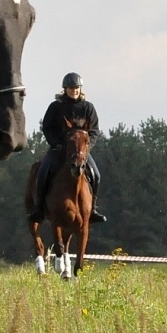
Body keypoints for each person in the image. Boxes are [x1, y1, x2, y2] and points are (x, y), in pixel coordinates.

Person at [36, 73, 107, 223]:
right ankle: (39, 208)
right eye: (71, 88)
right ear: (65, 89)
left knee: (97, 175)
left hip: (80, 152)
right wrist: (56, 144)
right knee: (43, 172)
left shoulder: (88, 108)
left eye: (76, 88)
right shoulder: (56, 106)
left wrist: (86, 149)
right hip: (59, 149)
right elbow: (47, 127)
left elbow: (94, 131)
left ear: (80, 89)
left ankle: (92, 209)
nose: (74, 90)